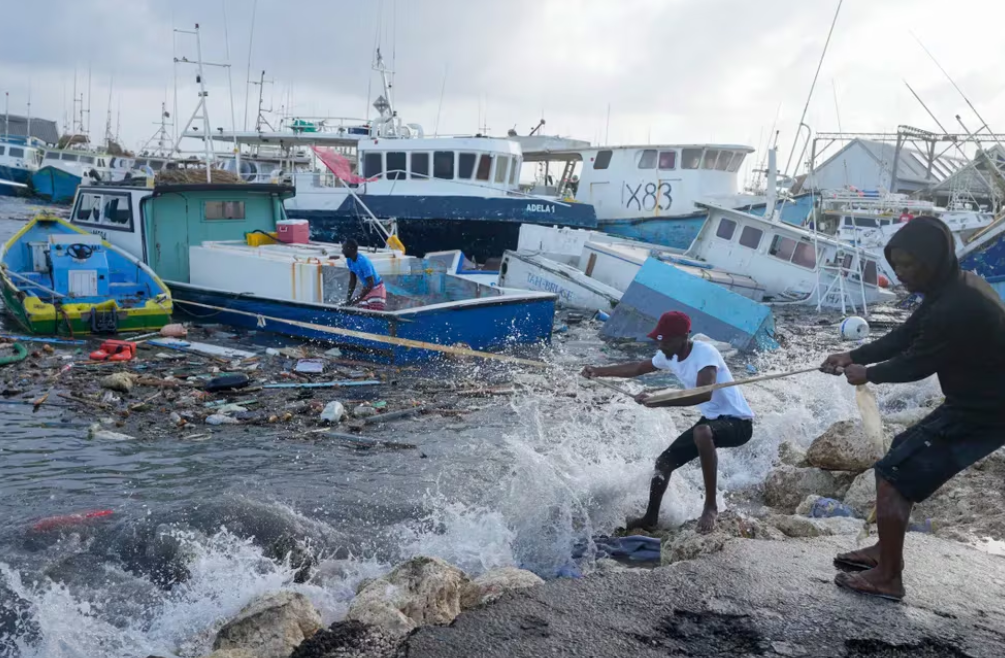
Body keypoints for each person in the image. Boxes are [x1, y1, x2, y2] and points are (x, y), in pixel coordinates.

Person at [821, 216, 1005, 602]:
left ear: (934, 259)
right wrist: (852, 353)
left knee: (893, 474)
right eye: (896, 265)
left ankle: (889, 577)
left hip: (987, 411)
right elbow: (905, 336)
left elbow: (917, 362)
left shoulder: (954, 305)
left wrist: (865, 373)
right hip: (977, 402)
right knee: (898, 452)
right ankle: (882, 550)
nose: (901, 273)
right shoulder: (953, 287)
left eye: (909, 265)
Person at [581, 311, 755, 534]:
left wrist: (660, 400)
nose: (660, 346)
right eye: (658, 340)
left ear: (684, 337)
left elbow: (703, 394)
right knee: (663, 463)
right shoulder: (668, 354)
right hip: (712, 421)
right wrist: (598, 371)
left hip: (739, 423)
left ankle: (710, 507)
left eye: (666, 341)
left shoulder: (705, 353)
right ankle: (650, 519)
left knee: (702, 432)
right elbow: (638, 368)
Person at [342, 239, 386, 311]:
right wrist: (348, 299)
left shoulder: (363, 262)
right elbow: (352, 282)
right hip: (367, 288)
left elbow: (371, 283)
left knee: (374, 313)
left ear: (352, 249)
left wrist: (358, 298)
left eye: (344, 248)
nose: (342, 251)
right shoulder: (349, 260)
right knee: (359, 310)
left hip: (377, 288)